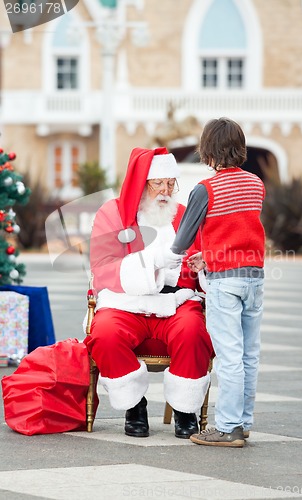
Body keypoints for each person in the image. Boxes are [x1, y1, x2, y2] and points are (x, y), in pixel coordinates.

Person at [84, 147, 213, 439]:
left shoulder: (183, 215)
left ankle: (184, 409)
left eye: (171, 183)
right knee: (104, 334)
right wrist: (152, 263)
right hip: (125, 303)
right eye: (158, 183)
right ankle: (135, 405)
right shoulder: (112, 213)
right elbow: (102, 267)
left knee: (193, 331)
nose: (166, 191)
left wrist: (202, 266)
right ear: (142, 182)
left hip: (175, 302)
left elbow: (202, 263)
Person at [171, 117, 265, 447]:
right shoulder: (256, 184)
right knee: (249, 356)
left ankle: (227, 428)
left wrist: (171, 254)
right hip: (254, 278)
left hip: (224, 283)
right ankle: (243, 421)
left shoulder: (205, 189)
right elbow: (240, 232)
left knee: (229, 357)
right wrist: (210, 256)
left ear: (207, 150)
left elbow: (182, 241)